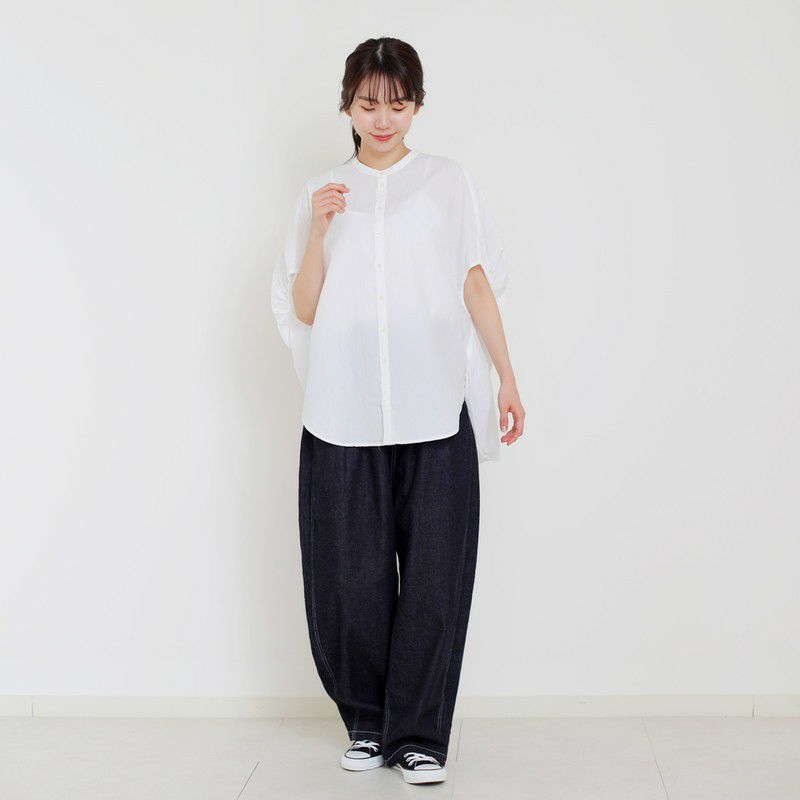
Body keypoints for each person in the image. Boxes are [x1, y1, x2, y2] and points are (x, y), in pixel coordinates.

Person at [271, 36, 524, 786]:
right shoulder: (321, 192)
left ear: (417, 106)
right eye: (368, 103)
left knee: (437, 574)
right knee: (348, 576)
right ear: (347, 105)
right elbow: (304, 307)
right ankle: (367, 723)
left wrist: (507, 377)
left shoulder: (446, 182)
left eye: (398, 104)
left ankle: (418, 737)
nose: (383, 119)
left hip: (434, 403)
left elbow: (475, 283)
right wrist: (320, 230)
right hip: (342, 410)